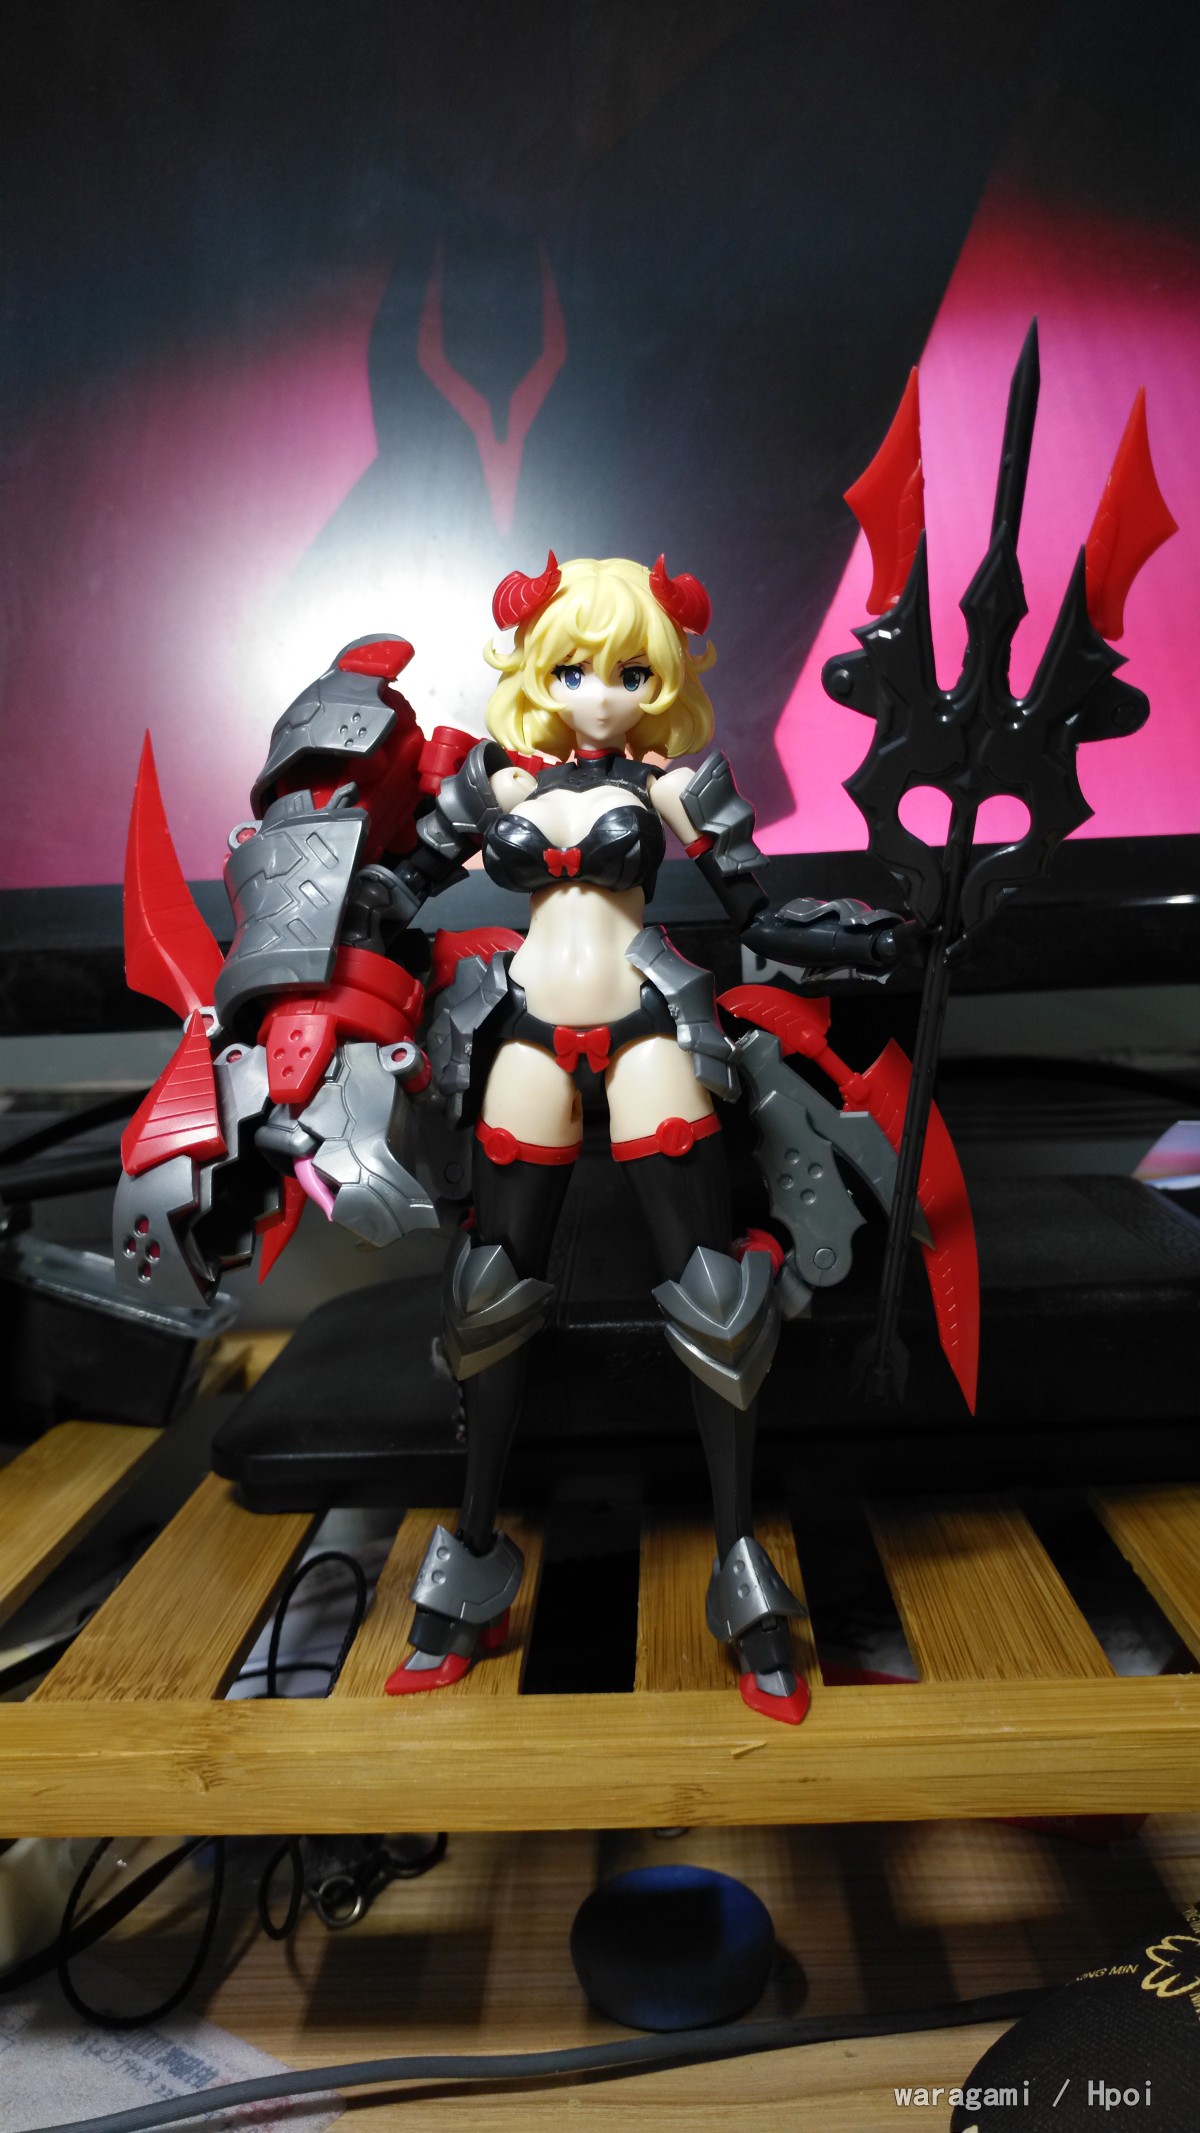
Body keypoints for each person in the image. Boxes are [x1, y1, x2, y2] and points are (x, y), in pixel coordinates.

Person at [385, 554, 911, 1722]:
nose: (601, 694)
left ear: (662, 679)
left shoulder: (676, 789)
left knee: (714, 1304)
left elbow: (761, 913)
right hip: (524, 1029)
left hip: (647, 1022)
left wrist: (869, 939)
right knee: (487, 1300)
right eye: (574, 669)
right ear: (535, 671)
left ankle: (741, 1571)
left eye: (630, 672)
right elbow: (393, 889)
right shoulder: (493, 785)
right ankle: (471, 1565)